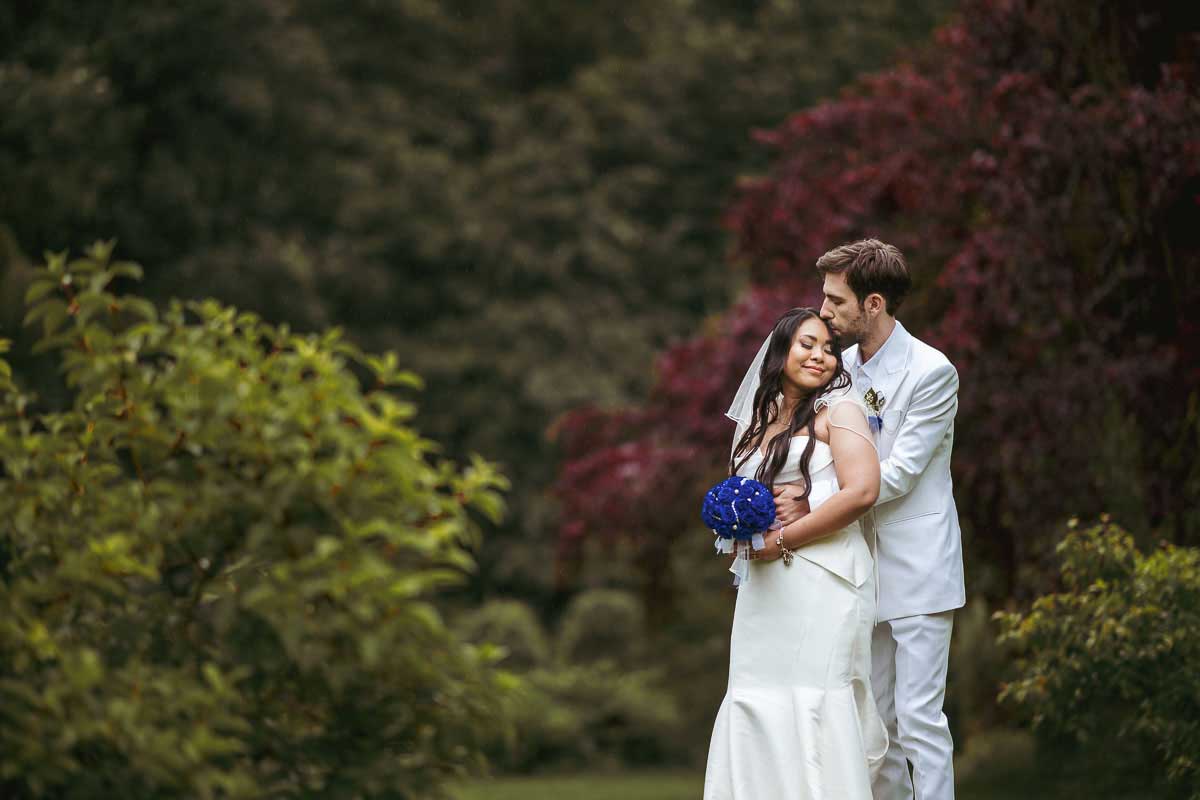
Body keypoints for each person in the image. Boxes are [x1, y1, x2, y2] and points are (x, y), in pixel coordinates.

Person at [775, 239, 965, 800]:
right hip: (856, 564)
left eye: (836, 301)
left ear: (873, 304)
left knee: (919, 718)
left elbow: (899, 473)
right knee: (873, 721)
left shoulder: (932, 372)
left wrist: (813, 503)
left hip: (919, 566)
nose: (824, 312)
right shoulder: (838, 370)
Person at [703, 307, 888, 799]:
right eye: (808, 344)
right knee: (756, 698)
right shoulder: (755, 425)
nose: (820, 356)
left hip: (823, 578)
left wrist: (791, 529)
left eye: (829, 349)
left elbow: (863, 491)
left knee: (814, 699)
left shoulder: (839, 412)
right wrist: (739, 530)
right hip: (763, 586)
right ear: (781, 350)